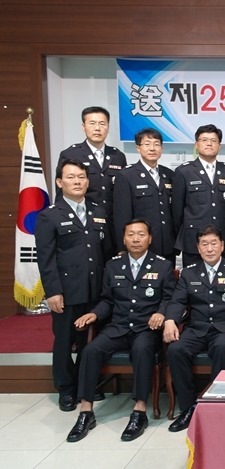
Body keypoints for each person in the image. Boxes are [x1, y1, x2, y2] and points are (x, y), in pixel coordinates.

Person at [66, 219, 176, 442]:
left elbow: (169, 299)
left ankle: (139, 411)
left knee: (142, 350)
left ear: (150, 239)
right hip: (119, 326)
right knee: (90, 350)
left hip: (146, 328)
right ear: (124, 239)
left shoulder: (163, 266)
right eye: (131, 235)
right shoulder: (113, 265)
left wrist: (161, 313)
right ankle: (86, 412)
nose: (136, 239)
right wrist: (94, 314)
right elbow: (107, 300)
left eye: (141, 235)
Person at [36, 159, 111, 411]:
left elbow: (105, 251)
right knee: (65, 341)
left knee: (89, 341)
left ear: (87, 181)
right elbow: (46, 259)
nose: (77, 181)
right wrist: (53, 291)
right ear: (59, 182)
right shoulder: (49, 216)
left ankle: (84, 385)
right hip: (67, 292)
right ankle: (66, 389)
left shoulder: (98, 211)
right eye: (71, 177)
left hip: (95, 289)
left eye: (81, 177)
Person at [164, 224, 225, 432]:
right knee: (175, 350)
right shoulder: (188, 273)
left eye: (213, 243)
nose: (209, 249)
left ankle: (217, 406)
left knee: (222, 347)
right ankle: (188, 408)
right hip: (197, 329)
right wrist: (170, 320)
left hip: (224, 329)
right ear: (198, 248)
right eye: (204, 244)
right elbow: (177, 301)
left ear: (222, 246)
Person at [56, 106, 126, 254]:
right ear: (83, 126)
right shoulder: (71, 154)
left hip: (112, 226)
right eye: (92, 123)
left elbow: (123, 195)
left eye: (102, 124)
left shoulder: (118, 156)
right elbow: (61, 194)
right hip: (84, 224)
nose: (97, 128)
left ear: (108, 127)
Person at [172, 124, 225, 266]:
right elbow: (177, 211)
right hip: (193, 240)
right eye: (204, 140)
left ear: (219, 146)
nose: (209, 144)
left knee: (223, 278)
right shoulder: (184, 172)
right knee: (192, 278)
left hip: (222, 239)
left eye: (213, 140)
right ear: (196, 144)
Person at [113, 128, 176, 264]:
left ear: (161, 149)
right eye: (147, 144)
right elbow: (122, 215)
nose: (152, 148)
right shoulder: (126, 176)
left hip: (167, 245)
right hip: (139, 246)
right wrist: (123, 247)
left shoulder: (169, 175)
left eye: (156, 144)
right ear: (138, 148)